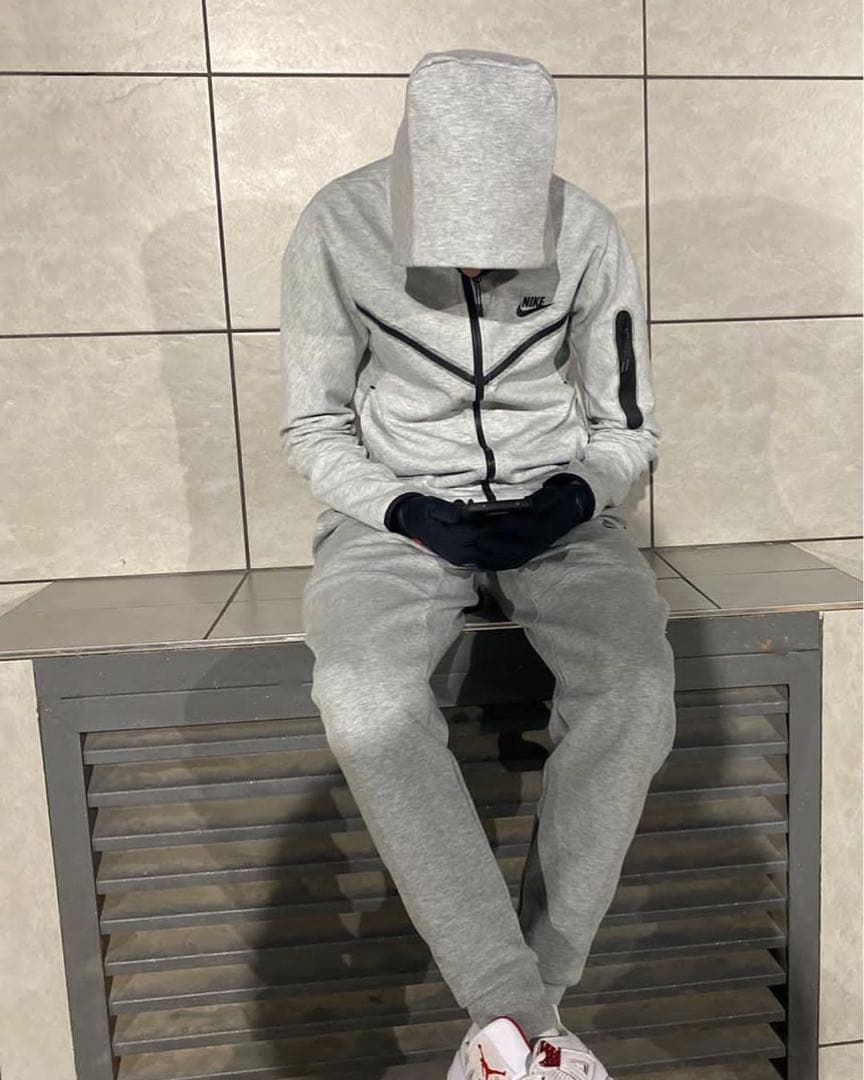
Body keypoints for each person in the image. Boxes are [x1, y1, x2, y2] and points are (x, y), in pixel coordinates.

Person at [279, 47, 676, 1080]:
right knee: (362, 699)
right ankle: (523, 1022)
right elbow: (313, 425)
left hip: (559, 513)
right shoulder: (337, 226)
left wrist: (577, 495)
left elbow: (627, 424)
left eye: (499, 261)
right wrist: (402, 505)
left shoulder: (587, 231)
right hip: (395, 518)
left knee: (637, 693)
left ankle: (519, 1025)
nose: (478, 278)